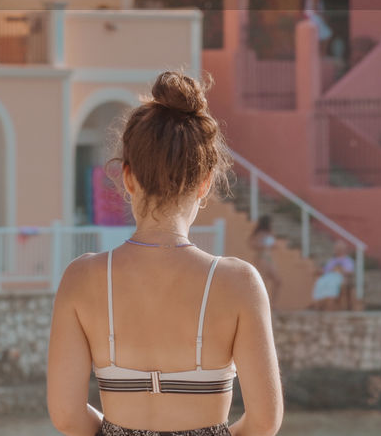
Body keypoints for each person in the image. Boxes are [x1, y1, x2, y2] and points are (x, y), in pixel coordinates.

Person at [47, 71, 283, 436]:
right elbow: (265, 421)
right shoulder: (239, 284)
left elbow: (66, 413)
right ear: (205, 183)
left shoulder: (83, 278)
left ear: (128, 177)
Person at [247, 215, 281, 310]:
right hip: (261, 257)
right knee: (263, 280)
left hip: (269, 258)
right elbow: (252, 244)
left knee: (277, 281)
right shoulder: (259, 234)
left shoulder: (270, 233)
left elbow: (274, 245)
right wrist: (263, 246)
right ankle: (262, 304)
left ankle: (272, 303)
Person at [311, 241, 356, 311]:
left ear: (344, 250)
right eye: (337, 249)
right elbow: (326, 269)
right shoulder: (332, 260)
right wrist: (319, 270)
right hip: (328, 276)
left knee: (332, 284)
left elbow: (349, 271)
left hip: (340, 277)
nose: (338, 250)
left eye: (340, 249)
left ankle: (331, 302)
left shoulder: (348, 260)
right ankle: (320, 303)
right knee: (320, 282)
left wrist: (340, 269)